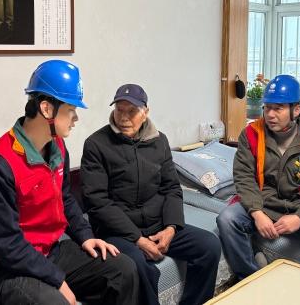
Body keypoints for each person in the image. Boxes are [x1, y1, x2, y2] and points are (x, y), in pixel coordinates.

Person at [0, 60, 139, 305]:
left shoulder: (57, 146)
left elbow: (64, 198)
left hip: (47, 252)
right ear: (47, 109)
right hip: (0, 270)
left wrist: (85, 236)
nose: (76, 118)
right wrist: (57, 280)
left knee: (123, 270)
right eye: (71, 110)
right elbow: (7, 244)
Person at [81, 84, 221, 305]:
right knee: (136, 266)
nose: (124, 118)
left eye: (132, 111)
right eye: (119, 110)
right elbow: (98, 202)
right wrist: (137, 239)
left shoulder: (159, 141)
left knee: (209, 246)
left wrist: (171, 228)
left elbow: (171, 188)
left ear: (145, 112)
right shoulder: (96, 144)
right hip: (118, 232)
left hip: (157, 225)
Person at [216, 74, 300, 280]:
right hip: (264, 202)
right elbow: (244, 177)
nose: (270, 115)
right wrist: (257, 213)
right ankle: (250, 278)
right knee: (227, 218)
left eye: (278, 108)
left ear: (296, 110)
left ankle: (299, 283)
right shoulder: (251, 134)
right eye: (267, 108)